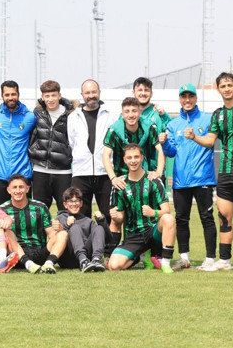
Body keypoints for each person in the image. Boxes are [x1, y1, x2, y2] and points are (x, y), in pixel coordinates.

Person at [186, 72, 233, 273]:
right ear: (218, 89)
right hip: (225, 173)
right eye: (223, 85)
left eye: (229, 85)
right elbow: (209, 140)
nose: (226, 88)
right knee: (224, 217)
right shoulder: (217, 114)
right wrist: (194, 137)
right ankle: (224, 260)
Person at [159, 83, 217, 270]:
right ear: (179, 99)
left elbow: (210, 142)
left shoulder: (207, 119)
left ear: (195, 98)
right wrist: (165, 143)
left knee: (206, 218)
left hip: (203, 178)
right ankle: (184, 258)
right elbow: (172, 152)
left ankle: (210, 259)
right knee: (181, 220)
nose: (187, 100)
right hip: (181, 180)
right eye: (183, 96)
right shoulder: (173, 124)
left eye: (190, 96)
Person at [103, 97, 165, 256]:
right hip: (122, 181)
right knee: (116, 217)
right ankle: (111, 254)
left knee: (150, 216)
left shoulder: (149, 127)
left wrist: (158, 172)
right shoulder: (114, 129)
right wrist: (113, 178)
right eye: (127, 111)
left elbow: (159, 150)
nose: (131, 114)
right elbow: (105, 155)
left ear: (139, 112)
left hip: (143, 178)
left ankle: (154, 256)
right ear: (122, 114)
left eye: (134, 111)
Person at [107, 144, 175, 273]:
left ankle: (165, 263)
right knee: (114, 266)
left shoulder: (153, 180)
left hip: (153, 231)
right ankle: (139, 256)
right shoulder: (120, 184)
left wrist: (153, 212)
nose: (133, 160)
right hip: (133, 235)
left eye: (136, 157)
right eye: (130, 157)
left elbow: (167, 210)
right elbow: (120, 218)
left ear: (142, 158)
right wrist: (116, 216)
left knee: (169, 219)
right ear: (124, 160)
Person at [67, 79, 117, 222]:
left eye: (94, 92)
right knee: (80, 215)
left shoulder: (110, 115)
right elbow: (72, 142)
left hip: (104, 172)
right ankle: (83, 244)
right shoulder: (73, 117)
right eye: (87, 92)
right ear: (82, 95)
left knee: (108, 214)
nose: (91, 95)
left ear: (99, 92)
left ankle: (108, 245)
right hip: (81, 172)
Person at [0, 175, 68, 274]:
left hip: (40, 253)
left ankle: (49, 263)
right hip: (17, 255)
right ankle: (27, 263)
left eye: (21, 187)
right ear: (8, 190)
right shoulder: (2, 210)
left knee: (63, 234)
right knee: (6, 233)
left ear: (27, 189)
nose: (18, 191)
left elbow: (51, 234)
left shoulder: (40, 207)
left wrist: (58, 230)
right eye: (14, 187)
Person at [28, 80, 76, 210]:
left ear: (59, 96)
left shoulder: (71, 115)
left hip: (63, 170)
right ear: (42, 97)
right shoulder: (37, 113)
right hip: (40, 170)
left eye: (53, 95)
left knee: (66, 211)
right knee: (39, 212)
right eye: (47, 96)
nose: (50, 99)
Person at [0, 80, 36, 205]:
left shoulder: (30, 117)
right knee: (0, 216)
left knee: (23, 217)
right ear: (2, 96)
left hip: (22, 175)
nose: (10, 97)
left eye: (13, 94)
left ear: (18, 95)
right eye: (7, 94)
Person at [54, 186, 107, 272]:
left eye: (77, 201)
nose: (74, 204)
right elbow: (54, 239)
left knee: (99, 228)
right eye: (70, 201)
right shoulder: (60, 218)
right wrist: (67, 225)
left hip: (87, 256)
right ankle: (83, 261)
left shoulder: (88, 221)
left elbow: (107, 238)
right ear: (65, 204)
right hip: (67, 258)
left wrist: (101, 221)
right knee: (75, 227)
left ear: (81, 203)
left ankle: (96, 260)